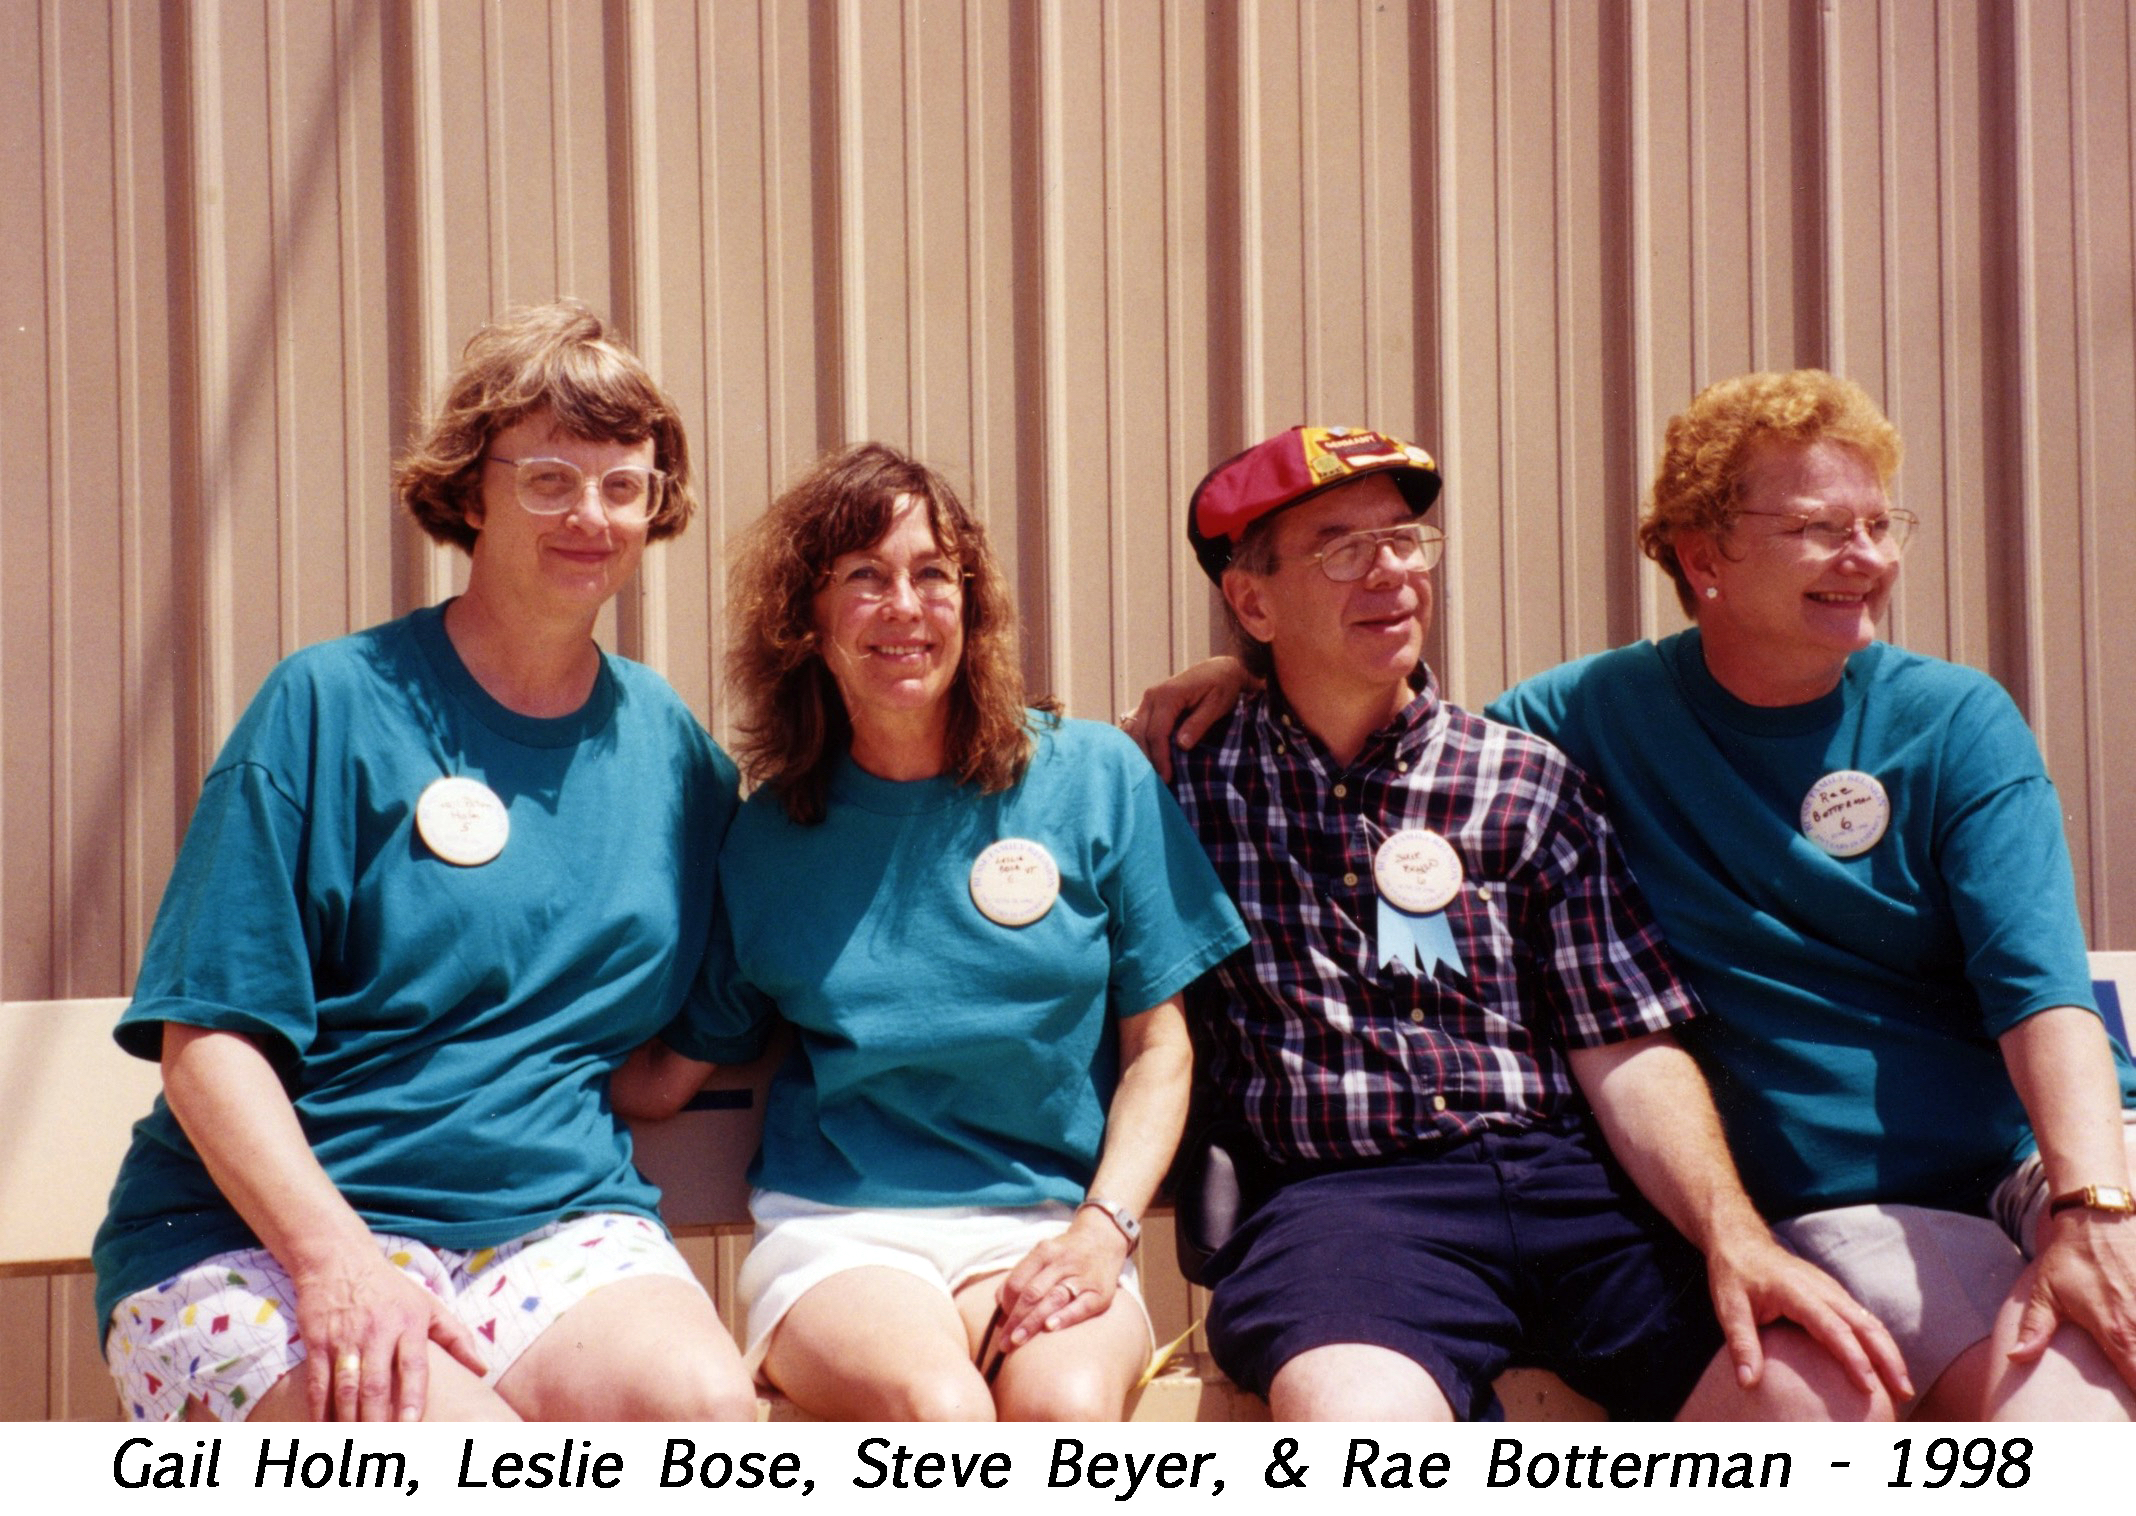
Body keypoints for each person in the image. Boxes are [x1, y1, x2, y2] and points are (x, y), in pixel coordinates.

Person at [1132, 378, 2136, 1420]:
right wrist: (1233, 677)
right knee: (1366, 1425)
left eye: (1406, 541)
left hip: (1985, 1157)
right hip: (1392, 1205)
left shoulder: (1524, 771)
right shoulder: (1191, 779)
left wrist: (2088, 1200)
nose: (1391, 572)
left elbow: (2033, 986)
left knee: (1874, 1402)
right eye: (1345, 549)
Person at [93, 301, 757, 1423]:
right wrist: (339, 1261)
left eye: (622, 484)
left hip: (547, 1228)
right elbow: (205, 1043)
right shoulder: (330, 705)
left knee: (708, 1417)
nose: (589, 514)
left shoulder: (676, 756)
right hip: (264, 1236)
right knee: (462, 1464)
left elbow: (690, 1021)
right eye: (548, 476)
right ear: (471, 489)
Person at [612, 442, 1248, 1421]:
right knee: (940, 1414)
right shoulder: (772, 836)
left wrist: (1102, 1228)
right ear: (806, 623)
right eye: (864, 577)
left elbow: (1161, 1047)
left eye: (931, 574)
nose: (904, 606)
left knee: (1068, 1416)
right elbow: (666, 1076)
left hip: (1055, 1226)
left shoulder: (1092, 778)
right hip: (847, 1237)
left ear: (972, 603)